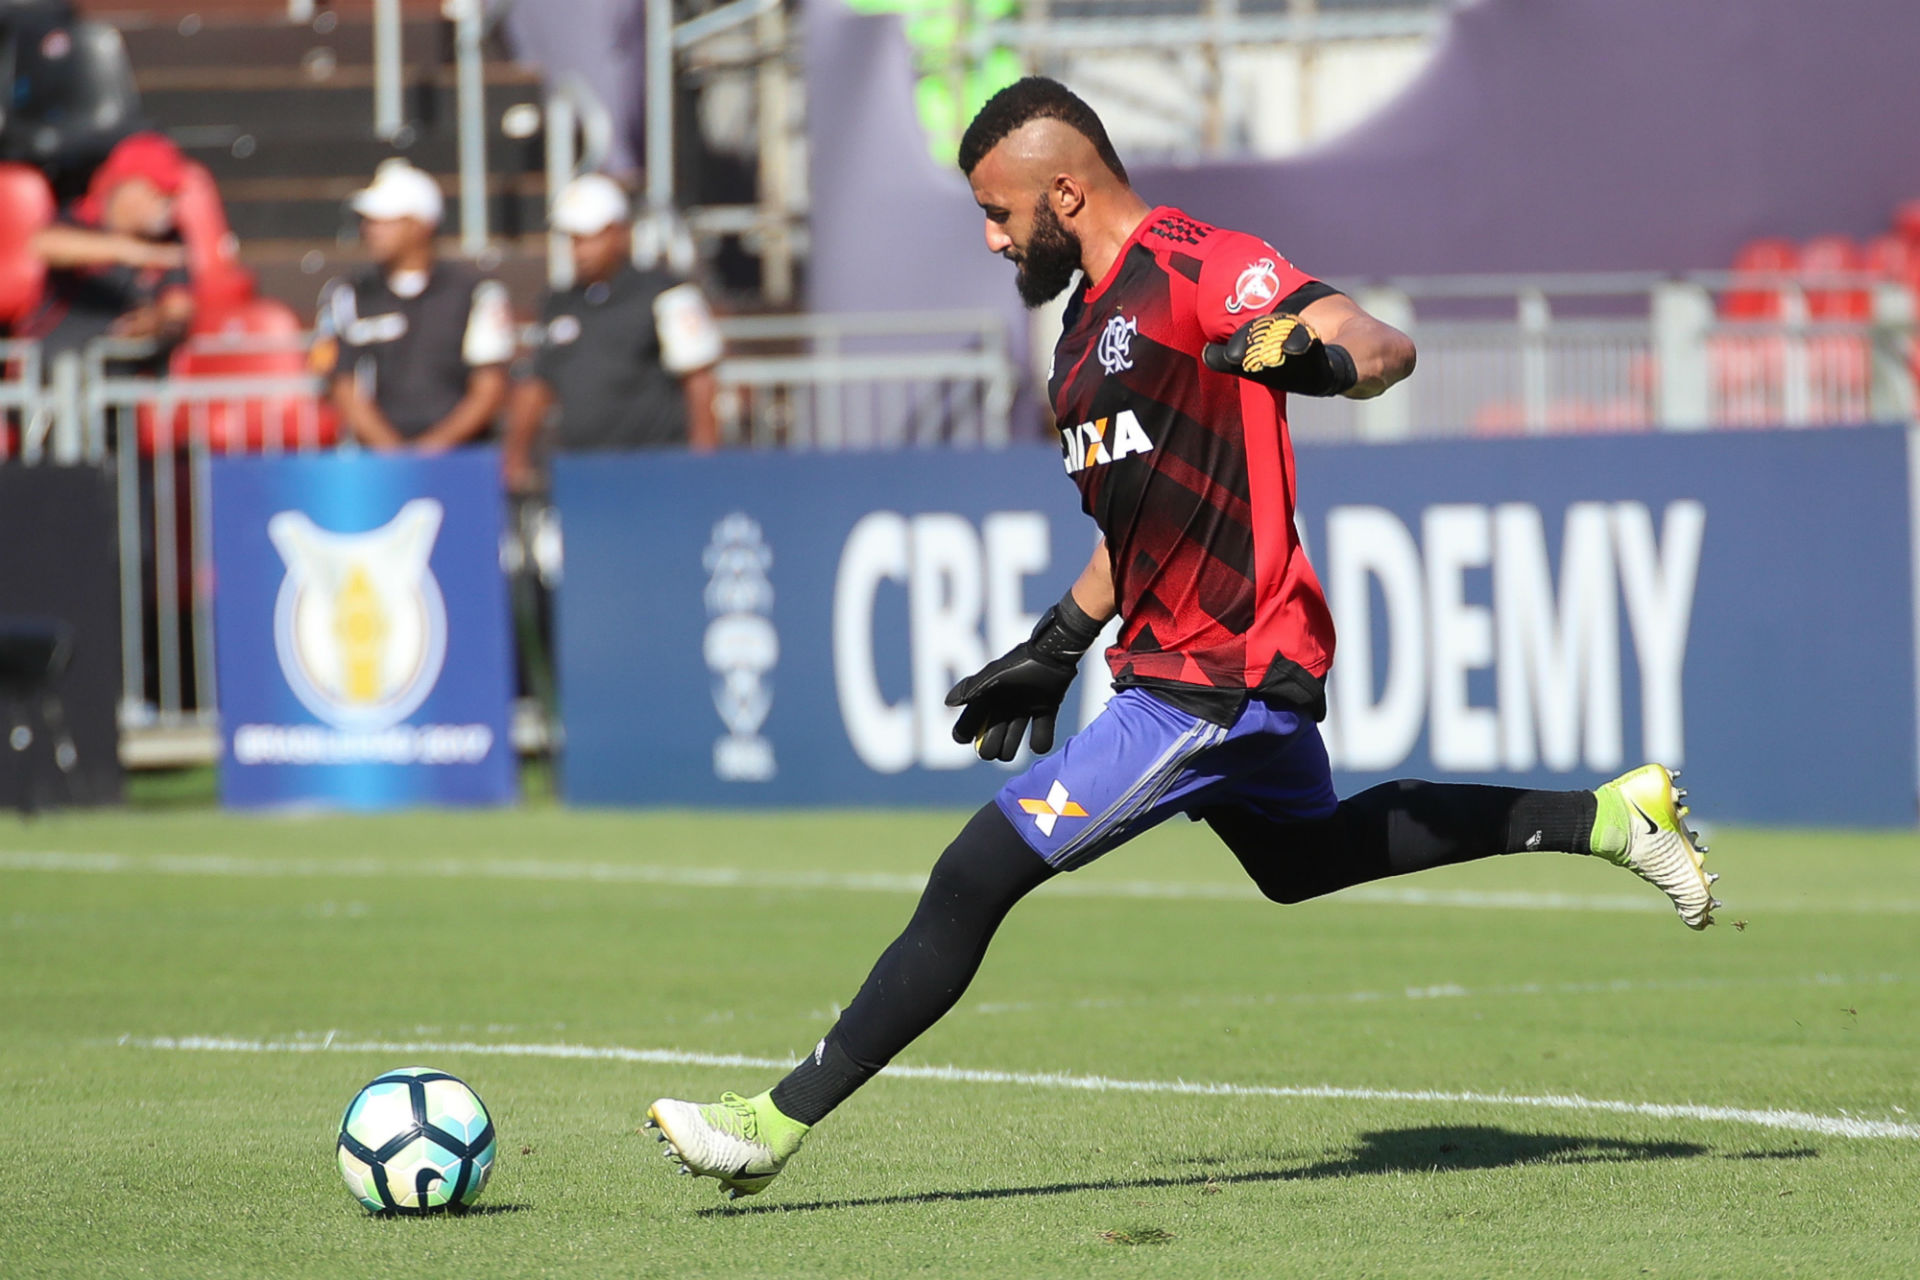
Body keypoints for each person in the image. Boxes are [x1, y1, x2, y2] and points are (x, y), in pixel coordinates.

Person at [645, 77, 1720, 1200]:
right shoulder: (1075, 341)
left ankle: (768, 1122)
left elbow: (1380, 343)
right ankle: (1609, 814)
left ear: (1064, 191)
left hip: (1218, 675)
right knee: (1303, 862)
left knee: (975, 870)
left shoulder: (1195, 265)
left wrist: (1313, 359)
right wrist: (1059, 639)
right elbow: (1136, 526)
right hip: (1179, 661)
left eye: (999, 211)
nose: (990, 235)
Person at [501, 175, 722, 493]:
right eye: (574, 239)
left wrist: (703, 464)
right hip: (582, 472)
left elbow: (700, 382)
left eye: (591, 237)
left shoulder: (665, 294)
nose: (581, 250)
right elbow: (538, 383)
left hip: (654, 469)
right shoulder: (559, 302)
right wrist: (516, 453)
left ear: (620, 234)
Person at [315, 159, 514, 452]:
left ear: (420, 225)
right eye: (368, 221)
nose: (371, 229)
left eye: (385, 220)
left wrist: (433, 448)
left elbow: (490, 385)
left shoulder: (476, 293)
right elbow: (339, 382)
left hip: (461, 462)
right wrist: (393, 452)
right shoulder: (346, 294)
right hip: (374, 466)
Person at [19, 130, 193, 358]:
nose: (166, 204)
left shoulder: (170, 240)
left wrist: (155, 323)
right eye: (157, 192)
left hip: (126, 372)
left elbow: (178, 307)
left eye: (171, 195)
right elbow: (43, 245)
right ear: (125, 186)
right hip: (59, 365)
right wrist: (131, 251)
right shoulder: (80, 219)